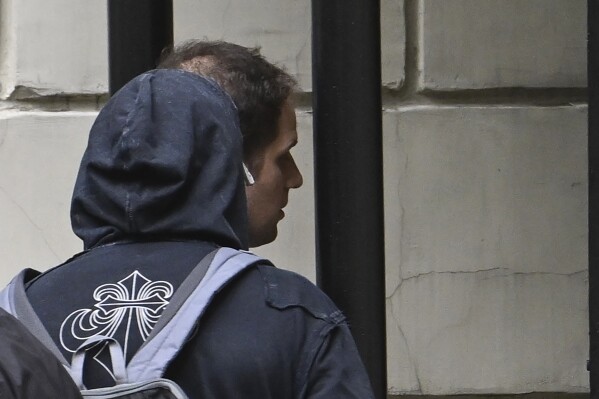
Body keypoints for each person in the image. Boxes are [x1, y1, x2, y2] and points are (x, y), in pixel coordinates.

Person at [23, 41, 375, 398]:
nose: (295, 178)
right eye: (283, 156)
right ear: (230, 161)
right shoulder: (291, 315)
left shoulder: (19, 318)